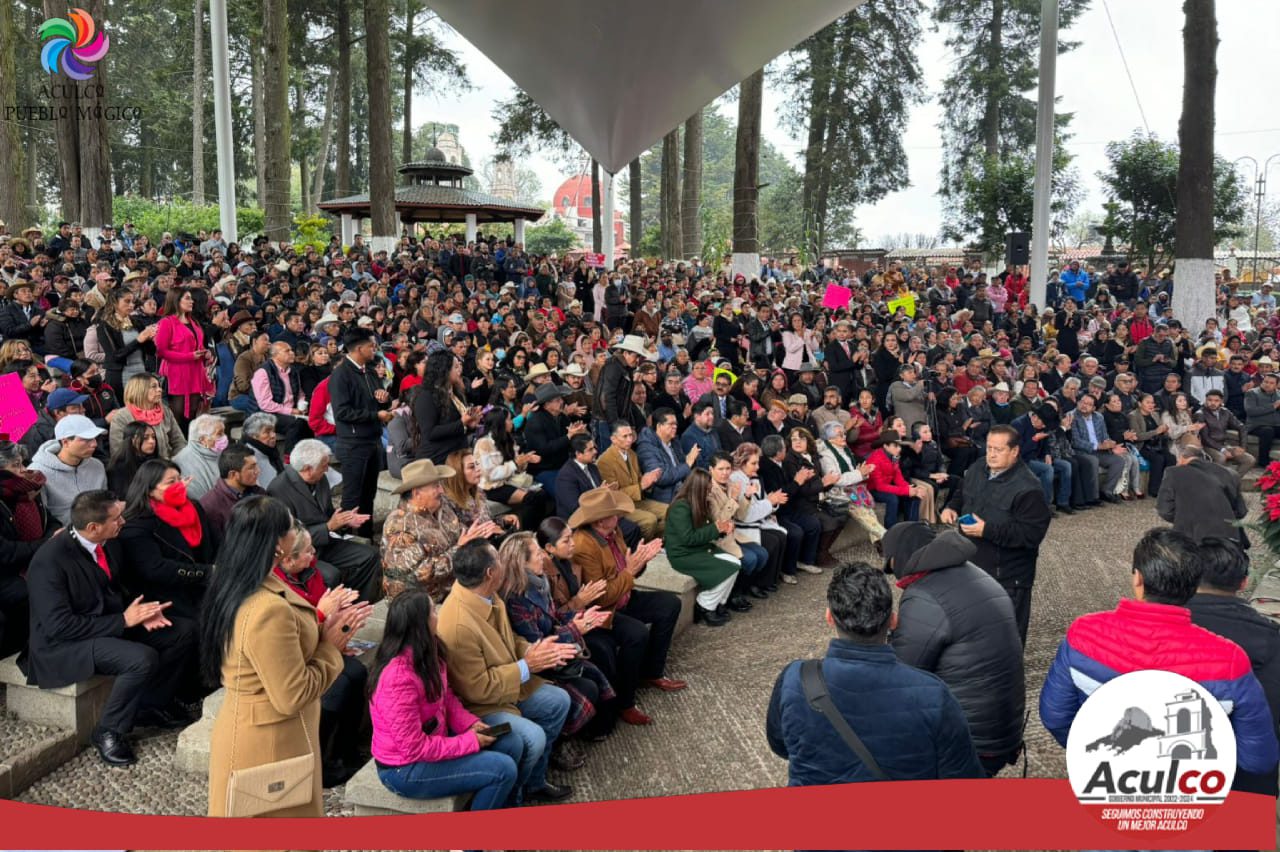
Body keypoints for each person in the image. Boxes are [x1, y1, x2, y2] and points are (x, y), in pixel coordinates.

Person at [1039, 528, 1279, 782]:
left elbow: (1055, 717)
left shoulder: (1084, 635)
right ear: (1193, 584)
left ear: (1137, 578)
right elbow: (1258, 758)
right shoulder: (1230, 660)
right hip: (1190, 793)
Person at [202, 495, 372, 817]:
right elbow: (291, 695)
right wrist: (331, 648)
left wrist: (322, 631)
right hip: (269, 745)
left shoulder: (239, 583)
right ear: (279, 543)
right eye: (291, 526)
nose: (298, 530)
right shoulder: (266, 610)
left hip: (262, 732)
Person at [20, 490, 197, 767]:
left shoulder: (109, 542)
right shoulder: (49, 561)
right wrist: (124, 621)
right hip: (63, 645)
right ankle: (108, 730)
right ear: (93, 527)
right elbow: (59, 625)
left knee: (184, 631)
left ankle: (150, 705)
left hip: (105, 623)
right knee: (140, 659)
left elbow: (115, 590)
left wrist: (142, 614)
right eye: (116, 518)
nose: (123, 522)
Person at [766, 562, 983, 784]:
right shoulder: (934, 695)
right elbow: (963, 776)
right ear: (893, 620)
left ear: (829, 617)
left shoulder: (794, 679)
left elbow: (780, 744)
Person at [434, 540, 576, 804]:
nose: (503, 563)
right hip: (480, 706)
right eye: (498, 559)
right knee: (532, 737)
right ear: (490, 573)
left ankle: (535, 782)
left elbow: (510, 639)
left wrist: (535, 649)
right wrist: (527, 666)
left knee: (559, 701)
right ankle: (514, 797)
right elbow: (476, 689)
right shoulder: (457, 624)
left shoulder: (488, 594)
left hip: (508, 684)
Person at [882, 523, 1025, 776]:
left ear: (901, 555)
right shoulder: (977, 574)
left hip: (969, 740)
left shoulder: (926, 594)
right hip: (1003, 728)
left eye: (890, 564)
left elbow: (901, 675)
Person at [367, 588, 521, 811]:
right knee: (502, 769)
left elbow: (445, 697)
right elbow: (414, 748)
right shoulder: (397, 679)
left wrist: (469, 723)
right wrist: (469, 742)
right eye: (432, 611)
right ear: (420, 624)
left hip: (435, 738)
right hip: (404, 768)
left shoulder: (429, 651)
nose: (437, 614)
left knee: (511, 742)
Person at [271, 519, 370, 787]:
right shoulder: (277, 589)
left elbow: (322, 615)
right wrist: (324, 614)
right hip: (300, 655)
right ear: (289, 560)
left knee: (358, 673)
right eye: (308, 552)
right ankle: (320, 760)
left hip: (320, 643)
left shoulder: (312, 573)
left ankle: (346, 750)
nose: (314, 556)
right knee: (336, 688)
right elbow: (295, 629)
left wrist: (341, 618)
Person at [498, 532, 617, 747]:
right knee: (586, 686)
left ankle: (598, 728)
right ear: (521, 562)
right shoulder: (516, 599)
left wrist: (579, 618)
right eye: (536, 553)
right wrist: (576, 628)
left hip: (556, 651)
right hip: (540, 665)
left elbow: (555, 617)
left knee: (601, 656)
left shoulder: (539, 583)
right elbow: (537, 642)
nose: (543, 557)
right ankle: (561, 742)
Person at [1186, 536, 1280, 796]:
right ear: (1244, 582)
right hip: (1246, 782)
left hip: (1167, 777)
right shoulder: (1271, 639)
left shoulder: (1158, 632)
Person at [568, 487, 686, 693]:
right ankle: (625, 699)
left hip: (624, 596)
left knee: (670, 604)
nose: (620, 515)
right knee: (636, 633)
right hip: (604, 611)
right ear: (599, 521)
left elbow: (628, 569)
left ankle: (652, 672)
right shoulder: (584, 545)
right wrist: (630, 572)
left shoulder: (614, 531)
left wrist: (640, 562)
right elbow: (601, 598)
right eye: (614, 513)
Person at [941, 424, 1051, 645]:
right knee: (975, 631)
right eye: (989, 447)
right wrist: (951, 506)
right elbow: (964, 490)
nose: (991, 454)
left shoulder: (1029, 488)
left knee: (1007, 637)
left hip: (1008, 577)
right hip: (972, 566)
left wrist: (987, 530)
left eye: (998, 450)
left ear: (1014, 451)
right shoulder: (978, 467)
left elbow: (1030, 535)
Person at [267, 439, 381, 602]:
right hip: (300, 551)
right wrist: (328, 527)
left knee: (371, 556)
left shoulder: (319, 480)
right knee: (331, 575)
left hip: (324, 543)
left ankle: (356, 603)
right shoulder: (278, 489)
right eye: (324, 465)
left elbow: (327, 514)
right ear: (307, 469)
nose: (327, 469)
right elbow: (288, 536)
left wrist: (344, 521)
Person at [381, 458, 500, 602]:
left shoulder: (441, 507)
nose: (442, 490)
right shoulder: (399, 526)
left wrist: (476, 533)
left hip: (453, 586)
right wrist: (459, 549)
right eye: (436, 486)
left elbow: (459, 531)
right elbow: (420, 574)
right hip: (422, 601)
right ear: (417, 493)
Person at [115, 459, 217, 621]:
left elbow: (215, 543)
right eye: (171, 482)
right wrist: (207, 572)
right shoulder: (137, 524)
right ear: (150, 490)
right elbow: (155, 568)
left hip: (205, 585)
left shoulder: (194, 507)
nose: (180, 485)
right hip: (167, 594)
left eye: (179, 479)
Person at [329, 328, 394, 538]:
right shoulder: (341, 375)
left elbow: (380, 399)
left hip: (372, 440)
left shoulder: (370, 371)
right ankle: (345, 540)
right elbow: (343, 412)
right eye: (371, 346)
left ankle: (365, 538)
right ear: (359, 348)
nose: (374, 349)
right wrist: (376, 416)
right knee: (351, 498)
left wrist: (384, 399)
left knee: (369, 495)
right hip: (353, 443)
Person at [664, 468, 743, 627]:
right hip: (683, 554)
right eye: (707, 488)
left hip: (698, 548)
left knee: (736, 563)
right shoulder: (681, 507)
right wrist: (717, 528)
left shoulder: (699, 502)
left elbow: (706, 530)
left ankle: (719, 603)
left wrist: (722, 530)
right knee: (729, 569)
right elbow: (688, 538)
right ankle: (705, 605)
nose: (710, 490)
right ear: (698, 487)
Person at [0, 441, 54, 656]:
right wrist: (44, 545)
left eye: (22, 463)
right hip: (6, 572)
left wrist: (54, 535)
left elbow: (50, 521)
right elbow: (4, 552)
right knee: (35, 593)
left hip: (32, 561)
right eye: (15, 466)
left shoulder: (28, 493)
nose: (23, 471)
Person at [1156, 444, 1248, 548]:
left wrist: (1185, 517)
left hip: (1191, 538)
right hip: (1228, 538)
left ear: (1181, 458)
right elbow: (1241, 511)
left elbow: (1164, 510)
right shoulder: (1229, 473)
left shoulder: (1173, 473)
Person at [28, 414, 108, 526]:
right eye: (86, 439)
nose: (94, 444)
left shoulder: (97, 465)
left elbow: (105, 501)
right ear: (65, 442)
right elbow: (42, 517)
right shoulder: (37, 472)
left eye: (95, 438)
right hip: (64, 536)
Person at [153, 287, 213, 432]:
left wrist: (206, 353)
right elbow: (161, 351)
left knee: (193, 411)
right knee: (178, 414)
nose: (191, 301)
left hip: (195, 372)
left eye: (191, 298)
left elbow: (198, 344)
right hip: (177, 373)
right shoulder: (167, 322)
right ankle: (177, 447)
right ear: (176, 300)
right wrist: (189, 356)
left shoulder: (194, 322)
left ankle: (189, 446)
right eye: (187, 298)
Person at [596, 421, 668, 538]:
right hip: (620, 507)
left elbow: (640, 481)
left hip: (638, 501)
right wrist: (641, 486)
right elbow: (613, 495)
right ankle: (642, 548)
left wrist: (650, 480)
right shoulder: (604, 461)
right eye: (625, 436)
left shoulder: (632, 454)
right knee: (650, 520)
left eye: (631, 435)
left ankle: (656, 543)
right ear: (613, 439)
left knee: (670, 511)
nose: (630, 439)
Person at [412, 350, 479, 464]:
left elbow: (455, 428)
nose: (459, 370)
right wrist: (461, 423)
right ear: (444, 370)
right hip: (437, 459)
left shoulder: (455, 392)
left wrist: (469, 425)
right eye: (455, 367)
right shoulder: (426, 396)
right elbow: (430, 433)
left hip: (456, 455)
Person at [108, 373, 186, 462]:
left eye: (159, 386)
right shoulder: (122, 416)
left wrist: (176, 463)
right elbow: (117, 451)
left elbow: (179, 441)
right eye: (154, 387)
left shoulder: (165, 411)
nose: (160, 390)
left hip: (168, 464)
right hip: (138, 469)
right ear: (139, 390)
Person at [250, 342, 311, 452]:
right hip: (265, 414)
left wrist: (302, 404)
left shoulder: (293, 371)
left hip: (289, 411)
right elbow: (265, 404)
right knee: (297, 424)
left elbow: (300, 393)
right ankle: (289, 457)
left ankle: (307, 456)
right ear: (275, 355)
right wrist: (291, 411)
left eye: (291, 350)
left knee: (311, 422)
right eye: (287, 351)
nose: (292, 353)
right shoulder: (263, 372)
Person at [198, 443, 266, 538]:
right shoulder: (210, 506)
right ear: (233, 474)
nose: (258, 471)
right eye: (251, 467)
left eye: (256, 465)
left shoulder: (259, 492)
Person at [636, 408, 695, 504]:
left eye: (676, 424)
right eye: (671, 424)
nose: (675, 427)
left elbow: (683, 466)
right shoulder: (646, 447)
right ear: (659, 426)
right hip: (665, 495)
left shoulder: (674, 441)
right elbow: (662, 477)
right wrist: (687, 464)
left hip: (682, 488)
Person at [1196, 389, 1255, 477]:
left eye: (1216, 401)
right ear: (1206, 400)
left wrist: (1242, 447)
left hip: (1224, 445)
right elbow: (1205, 438)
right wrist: (1222, 450)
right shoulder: (1200, 414)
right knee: (1221, 458)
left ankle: (1232, 481)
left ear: (1221, 401)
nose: (1212, 403)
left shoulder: (1225, 412)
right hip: (1207, 446)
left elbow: (1241, 427)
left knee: (1249, 459)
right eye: (1210, 400)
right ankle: (1216, 484)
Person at [172, 413, 227, 501]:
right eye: (219, 434)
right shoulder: (183, 461)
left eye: (224, 432)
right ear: (202, 440)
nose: (224, 437)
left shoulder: (220, 453)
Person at [106, 420, 158, 497]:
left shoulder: (157, 462)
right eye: (145, 438)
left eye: (153, 437)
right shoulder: (118, 467)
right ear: (132, 440)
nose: (152, 441)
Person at [241, 412, 285, 491]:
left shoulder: (269, 451)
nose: (273, 435)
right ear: (253, 436)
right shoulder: (248, 458)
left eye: (273, 431)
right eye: (267, 432)